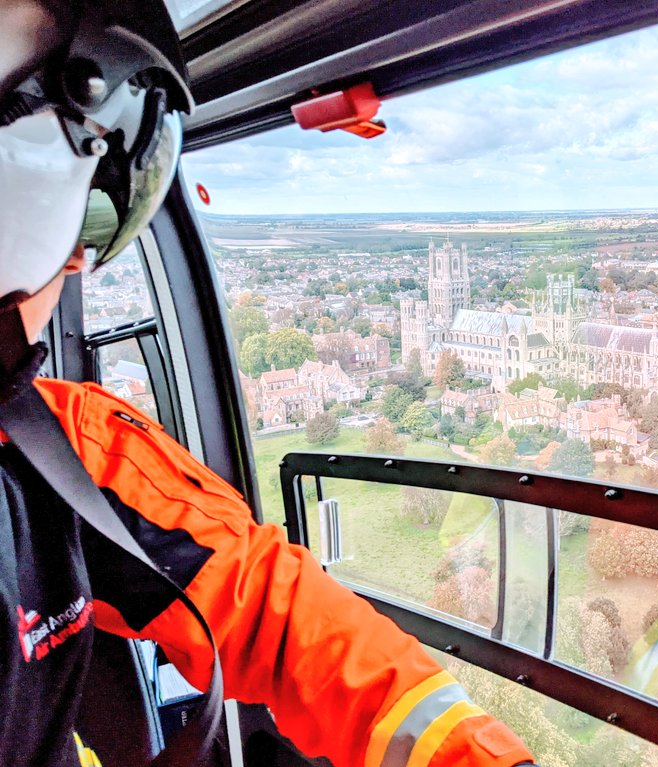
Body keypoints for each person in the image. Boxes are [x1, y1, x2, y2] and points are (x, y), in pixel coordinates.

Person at [0, 2, 537, 766]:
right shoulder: (59, 452)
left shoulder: (64, 454)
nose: (82, 261)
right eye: (88, 214)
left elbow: (274, 612)